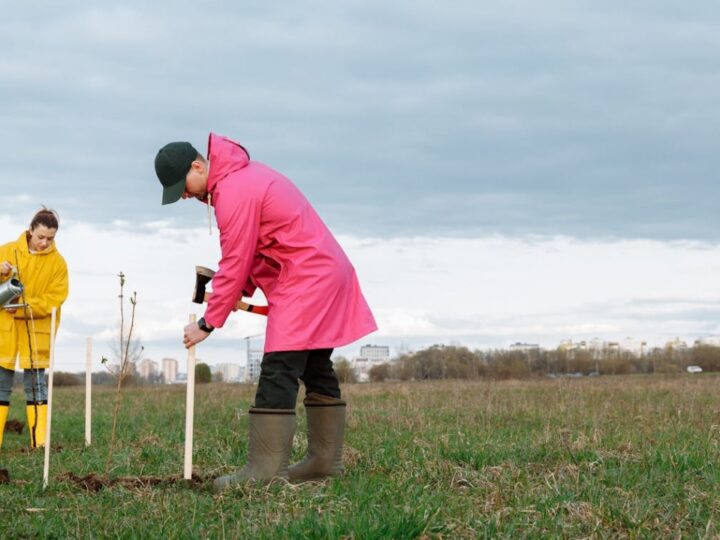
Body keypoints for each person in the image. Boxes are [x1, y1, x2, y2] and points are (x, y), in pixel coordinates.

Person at [154, 133, 377, 490]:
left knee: (279, 367)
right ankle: (324, 463)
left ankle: (264, 472)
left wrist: (208, 322)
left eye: (183, 186)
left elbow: (237, 259)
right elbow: (252, 258)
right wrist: (232, 292)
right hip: (322, 271)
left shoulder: (232, 192)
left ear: (198, 166)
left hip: (306, 277)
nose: (184, 194)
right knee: (316, 364)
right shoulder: (243, 177)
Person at [0, 208, 69, 449]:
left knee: (36, 384)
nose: (44, 242)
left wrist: (20, 308)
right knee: (1, 382)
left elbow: (55, 299)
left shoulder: (58, 263)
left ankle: (38, 443)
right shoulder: (6, 251)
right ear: (30, 230)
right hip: (5, 330)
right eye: (41, 237)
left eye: (50, 238)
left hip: (37, 329)